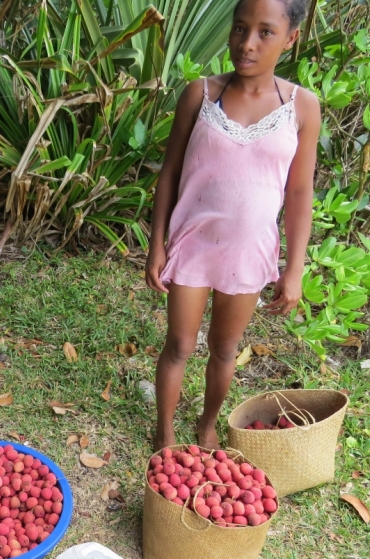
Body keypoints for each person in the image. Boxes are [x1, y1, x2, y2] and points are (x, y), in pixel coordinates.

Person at [145, 0, 320, 451]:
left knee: (224, 349)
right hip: (193, 244)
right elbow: (169, 173)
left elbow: (300, 194)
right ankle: (164, 433)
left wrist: (294, 269)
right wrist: (156, 244)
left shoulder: (302, 107)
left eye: (265, 32)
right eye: (240, 28)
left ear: (291, 38)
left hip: (248, 251)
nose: (247, 43)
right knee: (180, 344)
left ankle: (206, 425)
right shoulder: (200, 94)